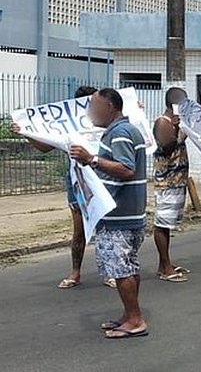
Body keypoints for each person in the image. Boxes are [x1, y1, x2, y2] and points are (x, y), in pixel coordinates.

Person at [11, 86, 118, 289]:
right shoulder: (68, 127)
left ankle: (110, 271)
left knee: (107, 226)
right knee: (80, 229)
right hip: (79, 181)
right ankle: (76, 272)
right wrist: (25, 132)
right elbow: (45, 145)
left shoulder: (107, 123)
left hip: (105, 177)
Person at [68, 88, 148, 339]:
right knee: (129, 266)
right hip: (128, 214)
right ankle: (129, 314)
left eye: (94, 106)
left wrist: (92, 160)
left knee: (121, 269)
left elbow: (126, 169)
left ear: (110, 108)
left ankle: (135, 320)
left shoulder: (121, 132)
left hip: (120, 217)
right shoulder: (121, 131)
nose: (90, 113)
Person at [152, 87, 191, 283]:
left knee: (169, 224)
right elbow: (166, 147)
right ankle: (165, 267)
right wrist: (175, 128)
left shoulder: (179, 122)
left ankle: (164, 263)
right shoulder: (163, 123)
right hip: (167, 181)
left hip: (178, 180)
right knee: (162, 224)